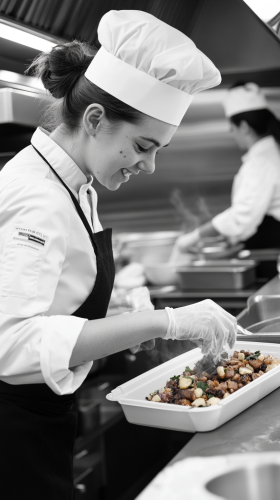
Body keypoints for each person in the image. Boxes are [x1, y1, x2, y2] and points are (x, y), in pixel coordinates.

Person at [0, 10, 237, 499]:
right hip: (12, 434)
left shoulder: (75, 185)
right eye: (143, 146)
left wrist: (119, 313)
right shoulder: (37, 195)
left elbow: (49, 302)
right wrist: (163, 323)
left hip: (38, 420)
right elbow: (12, 343)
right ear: (94, 119)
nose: (149, 166)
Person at [170, 82, 280, 259]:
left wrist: (194, 236)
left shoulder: (262, 162)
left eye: (232, 128)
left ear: (244, 127)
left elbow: (242, 217)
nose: (232, 133)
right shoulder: (270, 154)